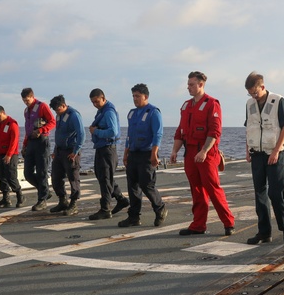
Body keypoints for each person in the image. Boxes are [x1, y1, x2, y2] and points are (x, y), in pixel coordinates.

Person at [171, 71, 235, 236]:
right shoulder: (186, 105)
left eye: (191, 84)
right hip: (190, 152)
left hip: (206, 152)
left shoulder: (212, 104)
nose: (188, 87)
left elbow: (214, 132)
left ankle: (229, 223)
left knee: (213, 188)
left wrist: (204, 151)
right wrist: (174, 151)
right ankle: (198, 225)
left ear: (201, 85)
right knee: (196, 189)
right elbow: (180, 131)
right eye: (188, 84)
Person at [244, 72, 284, 245]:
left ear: (262, 87)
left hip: (274, 154)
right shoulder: (250, 104)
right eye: (250, 93)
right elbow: (249, 127)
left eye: (255, 93)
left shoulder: (278, 101)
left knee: (276, 193)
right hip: (257, 154)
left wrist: (276, 151)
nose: (253, 96)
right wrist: (247, 150)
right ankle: (264, 232)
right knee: (260, 194)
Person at [120, 83, 168, 227]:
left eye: (138, 96)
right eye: (133, 96)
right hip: (134, 153)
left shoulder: (153, 112)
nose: (135, 99)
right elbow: (129, 135)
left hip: (147, 153)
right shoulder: (132, 113)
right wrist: (126, 153)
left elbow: (157, 134)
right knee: (132, 186)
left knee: (147, 185)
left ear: (145, 96)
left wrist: (154, 154)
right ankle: (134, 217)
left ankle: (160, 209)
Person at [87, 88, 131, 220]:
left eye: (97, 101)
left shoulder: (109, 112)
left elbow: (113, 131)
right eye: (93, 102)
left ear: (103, 98)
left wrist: (96, 132)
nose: (95, 104)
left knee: (105, 179)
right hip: (102, 148)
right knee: (102, 176)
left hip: (108, 149)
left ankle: (105, 209)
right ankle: (120, 198)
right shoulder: (102, 111)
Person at [49, 95, 85, 216]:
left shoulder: (74, 115)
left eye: (58, 109)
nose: (56, 112)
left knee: (73, 178)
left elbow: (81, 134)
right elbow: (59, 134)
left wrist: (75, 151)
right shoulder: (59, 116)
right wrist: (55, 150)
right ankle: (62, 200)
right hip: (59, 151)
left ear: (64, 105)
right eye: (55, 110)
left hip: (70, 151)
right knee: (56, 177)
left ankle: (73, 204)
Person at [21, 87, 56, 211]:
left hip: (42, 141)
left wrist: (41, 130)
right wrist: (24, 144)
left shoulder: (42, 106)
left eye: (28, 100)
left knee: (42, 171)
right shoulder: (26, 111)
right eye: (24, 101)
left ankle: (42, 199)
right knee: (28, 173)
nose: (26, 102)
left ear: (32, 96)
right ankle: (44, 191)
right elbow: (27, 129)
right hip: (30, 142)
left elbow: (52, 122)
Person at [0, 105, 23, 208]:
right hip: (1, 154)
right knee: (1, 176)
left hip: (11, 154)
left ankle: (20, 196)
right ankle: (6, 199)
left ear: (3, 112)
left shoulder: (12, 124)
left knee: (11, 176)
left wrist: (9, 155)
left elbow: (14, 141)